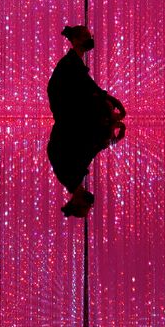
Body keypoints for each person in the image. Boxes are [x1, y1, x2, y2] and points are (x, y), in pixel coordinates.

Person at [46, 25, 125, 217]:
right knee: (103, 105)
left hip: (69, 117)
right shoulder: (71, 63)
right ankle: (107, 120)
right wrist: (108, 140)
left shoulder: (71, 178)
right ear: (74, 40)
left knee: (103, 104)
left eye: (89, 36)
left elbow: (89, 87)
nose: (89, 39)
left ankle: (106, 120)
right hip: (68, 114)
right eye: (85, 37)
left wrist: (109, 100)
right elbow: (86, 151)